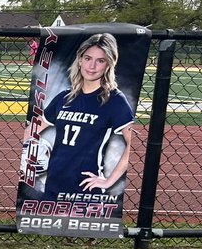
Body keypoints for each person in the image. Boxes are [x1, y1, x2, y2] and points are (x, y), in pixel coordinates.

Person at [25, 33, 134, 202]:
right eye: (88, 58)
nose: (92, 66)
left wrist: (108, 181)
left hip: (86, 190)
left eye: (100, 60)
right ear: (80, 59)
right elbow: (32, 130)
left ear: (109, 65)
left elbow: (132, 144)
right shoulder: (64, 98)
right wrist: (27, 156)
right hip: (53, 185)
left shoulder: (114, 100)